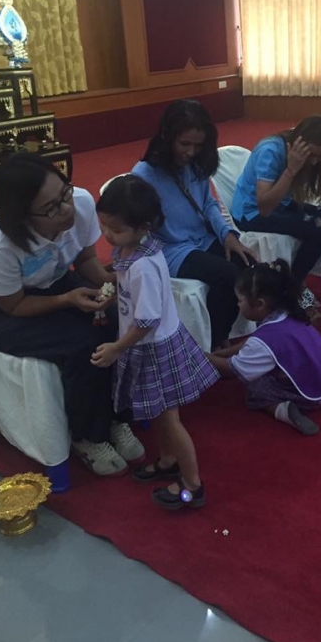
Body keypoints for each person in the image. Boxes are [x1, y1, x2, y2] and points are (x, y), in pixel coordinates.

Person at [0, 153, 144, 477]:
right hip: (3, 308)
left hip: (57, 282)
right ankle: (87, 436)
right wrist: (66, 300)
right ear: (22, 216)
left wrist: (112, 283)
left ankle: (115, 417)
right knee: (83, 343)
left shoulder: (82, 203)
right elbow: (13, 306)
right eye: (51, 208)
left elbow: (85, 260)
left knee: (118, 321)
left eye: (65, 194)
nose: (66, 209)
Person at [92, 175, 219, 511]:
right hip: (150, 343)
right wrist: (114, 296)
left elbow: (146, 321)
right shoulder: (136, 249)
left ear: (143, 227)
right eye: (103, 226)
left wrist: (116, 348)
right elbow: (134, 295)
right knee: (162, 415)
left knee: (170, 419)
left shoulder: (143, 267)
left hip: (154, 348)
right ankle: (167, 460)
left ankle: (192, 484)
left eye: (116, 229)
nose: (107, 235)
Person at [131, 99, 256, 350]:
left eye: (198, 145)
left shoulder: (196, 164)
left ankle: (221, 332)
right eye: (184, 144)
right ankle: (215, 343)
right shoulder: (144, 175)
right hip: (170, 250)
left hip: (201, 239)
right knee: (227, 274)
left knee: (248, 265)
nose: (190, 152)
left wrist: (228, 235)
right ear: (166, 136)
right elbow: (138, 228)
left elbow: (209, 204)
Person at [207, 260, 321, 435]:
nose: (237, 304)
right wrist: (225, 352)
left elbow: (233, 370)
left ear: (259, 304)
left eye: (240, 300)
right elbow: (255, 341)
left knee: (254, 387)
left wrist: (204, 356)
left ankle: (282, 409)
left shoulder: (262, 341)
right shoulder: (289, 313)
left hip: (310, 396)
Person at [231, 116, 321, 285]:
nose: (314, 161)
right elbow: (264, 208)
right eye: (311, 154)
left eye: (320, 156)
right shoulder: (270, 150)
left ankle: (293, 281)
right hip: (251, 213)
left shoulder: (320, 156)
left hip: (283, 204)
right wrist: (290, 170)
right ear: (299, 143)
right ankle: (293, 284)